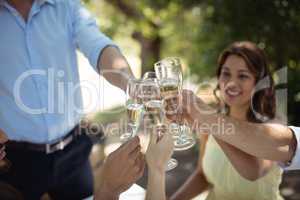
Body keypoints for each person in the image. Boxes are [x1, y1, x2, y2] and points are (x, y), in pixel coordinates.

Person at [0, 0, 144, 199]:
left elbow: (98, 45)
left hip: (73, 152)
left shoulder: (65, 5)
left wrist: (130, 83)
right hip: (13, 160)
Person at [168, 41, 284, 200]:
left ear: (258, 83)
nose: (231, 83)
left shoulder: (273, 127)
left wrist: (209, 123)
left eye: (243, 76)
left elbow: (253, 172)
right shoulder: (213, 121)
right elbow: (203, 175)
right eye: (226, 73)